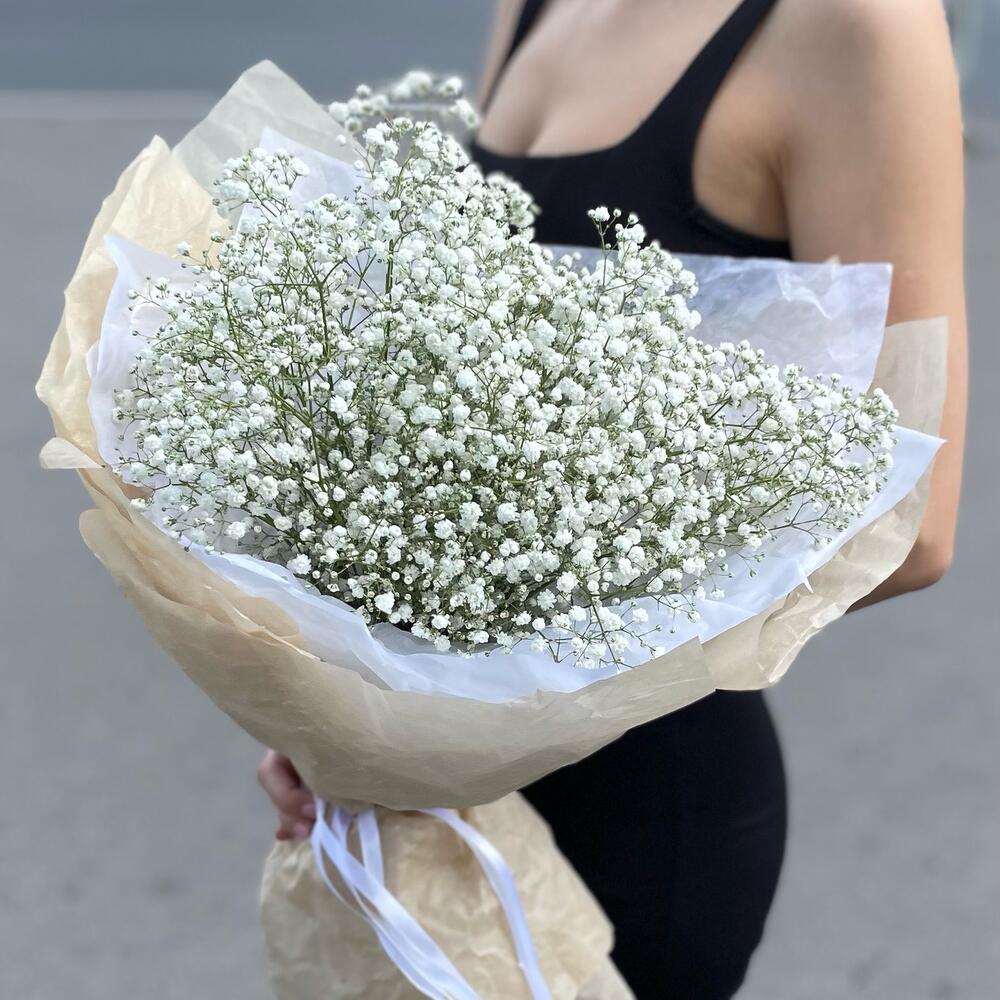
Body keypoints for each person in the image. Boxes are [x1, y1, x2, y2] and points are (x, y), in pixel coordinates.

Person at [259, 1, 967, 995]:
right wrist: (345, 712)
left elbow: (910, 518)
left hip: (643, 805)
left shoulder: (859, 24)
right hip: (437, 789)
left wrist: (516, 674)